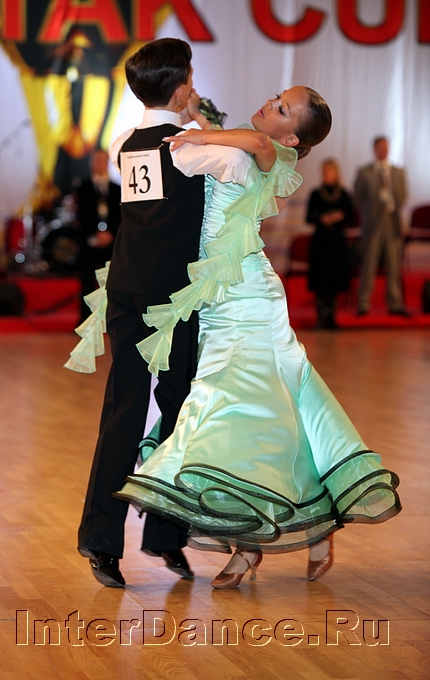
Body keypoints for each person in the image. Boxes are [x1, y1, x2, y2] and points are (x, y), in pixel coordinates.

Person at [112, 88, 401, 588]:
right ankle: (310, 523)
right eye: (276, 97)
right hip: (215, 297)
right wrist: (197, 115)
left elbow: (258, 144)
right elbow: (235, 135)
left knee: (239, 416)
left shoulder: (273, 154)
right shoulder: (239, 143)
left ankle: (249, 546)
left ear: (291, 138)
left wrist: (198, 134)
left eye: (282, 110)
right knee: (268, 418)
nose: (271, 105)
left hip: (248, 298)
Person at [67, 38, 216, 588]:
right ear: (181, 90)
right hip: (172, 300)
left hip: (126, 289)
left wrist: (189, 116)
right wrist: (201, 119)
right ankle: (165, 536)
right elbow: (246, 157)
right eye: (191, 79)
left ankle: (100, 540)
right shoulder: (195, 147)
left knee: (123, 410)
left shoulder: (122, 142)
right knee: (177, 413)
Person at [354, 136, 408, 316]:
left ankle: (395, 302)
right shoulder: (365, 172)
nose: (383, 151)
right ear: (374, 149)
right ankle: (364, 302)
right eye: (380, 148)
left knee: (393, 264)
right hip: (373, 223)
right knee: (369, 263)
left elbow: (403, 195)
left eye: (386, 148)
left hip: (392, 221)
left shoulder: (397, 172)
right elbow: (358, 197)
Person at [306, 158, 355, 328]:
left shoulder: (344, 194)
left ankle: (332, 317)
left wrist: (339, 216)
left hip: (337, 243)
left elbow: (352, 216)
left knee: (334, 278)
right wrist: (322, 218)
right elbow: (308, 217)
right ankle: (320, 317)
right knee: (321, 279)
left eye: (329, 171)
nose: (326, 175)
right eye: (324, 172)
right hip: (320, 243)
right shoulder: (316, 194)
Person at [75, 149, 121, 323]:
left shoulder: (116, 189)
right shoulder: (83, 188)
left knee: (112, 282)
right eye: (97, 160)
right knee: (87, 282)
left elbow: (119, 216)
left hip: (111, 243)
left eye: (103, 160)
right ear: (91, 163)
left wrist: (110, 234)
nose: (100, 164)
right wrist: (94, 233)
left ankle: (111, 320)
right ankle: (86, 320)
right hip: (89, 242)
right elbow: (82, 215)